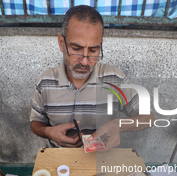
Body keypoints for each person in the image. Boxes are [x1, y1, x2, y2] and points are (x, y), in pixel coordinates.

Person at [30, 5, 154, 150]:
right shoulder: (45, 82)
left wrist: (118, 125)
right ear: (62, 43)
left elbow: (149, 118)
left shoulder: (114, 79)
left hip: (100, 157)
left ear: (100, 46)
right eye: (76, 49)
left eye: (93, 50)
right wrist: (48, 132)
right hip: (58, 158)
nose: (84, 61)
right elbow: (35, 123)